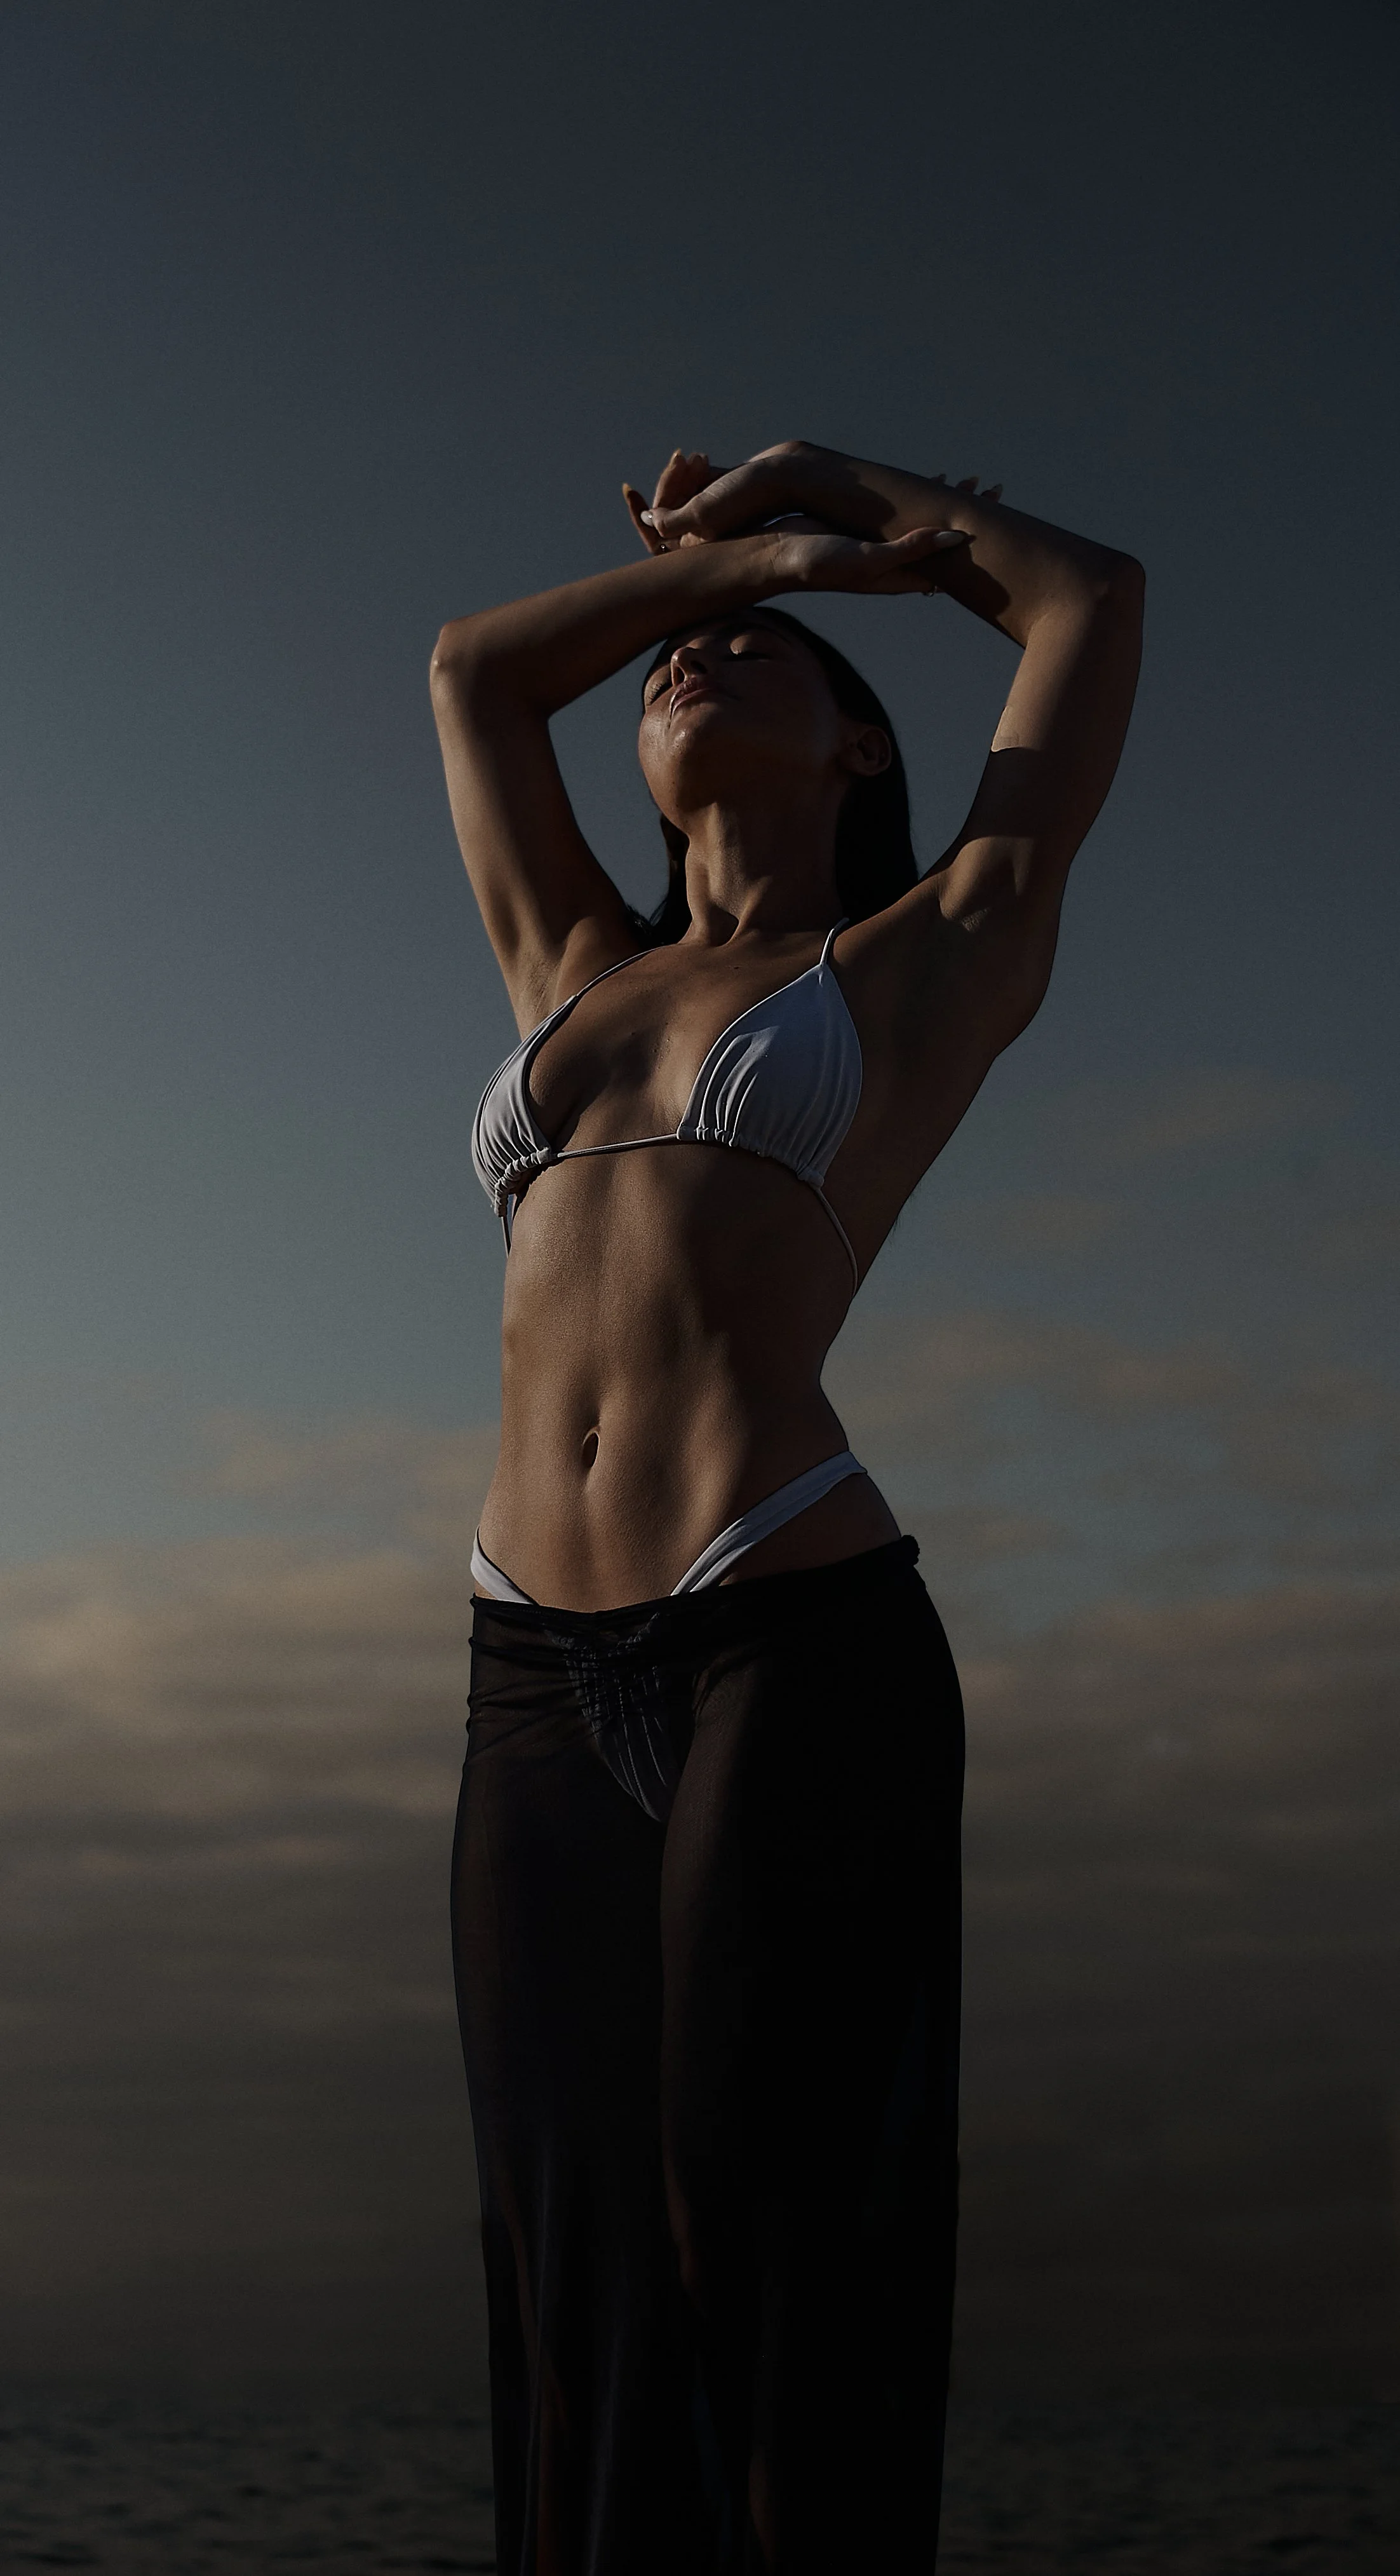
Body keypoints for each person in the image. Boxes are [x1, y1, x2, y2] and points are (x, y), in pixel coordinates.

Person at [433, 438, 1143, 2575]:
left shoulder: (930, 955)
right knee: (568, 2275)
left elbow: (1088, 600)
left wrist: (842, 509)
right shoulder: (568, 960)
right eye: (681, 644)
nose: (696, 653)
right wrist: (729, 566)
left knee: (765, 2242)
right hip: (526, 1667)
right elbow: (475, 673)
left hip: (786, 1633)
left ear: (858, 746)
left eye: (761, 646)